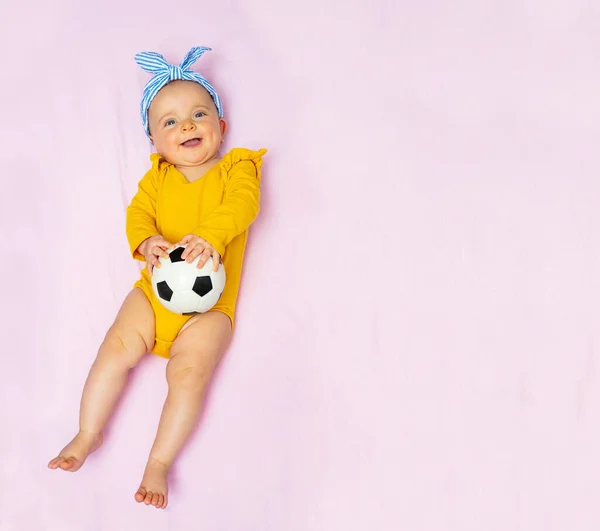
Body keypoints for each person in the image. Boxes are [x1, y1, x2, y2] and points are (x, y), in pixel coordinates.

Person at [48, 46, 267, 510]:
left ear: (220, 127)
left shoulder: (237, 168)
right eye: (169, 121)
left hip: (208, 311)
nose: (186, 125)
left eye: (198, 114)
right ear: (153, 140)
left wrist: (211, 234)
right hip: (153, 294)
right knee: (114, 347)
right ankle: (87, 433)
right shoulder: (157, 178)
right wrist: (145, 241)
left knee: (190, 374)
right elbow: (137, 215)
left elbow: (244, 205)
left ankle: (159, 462)